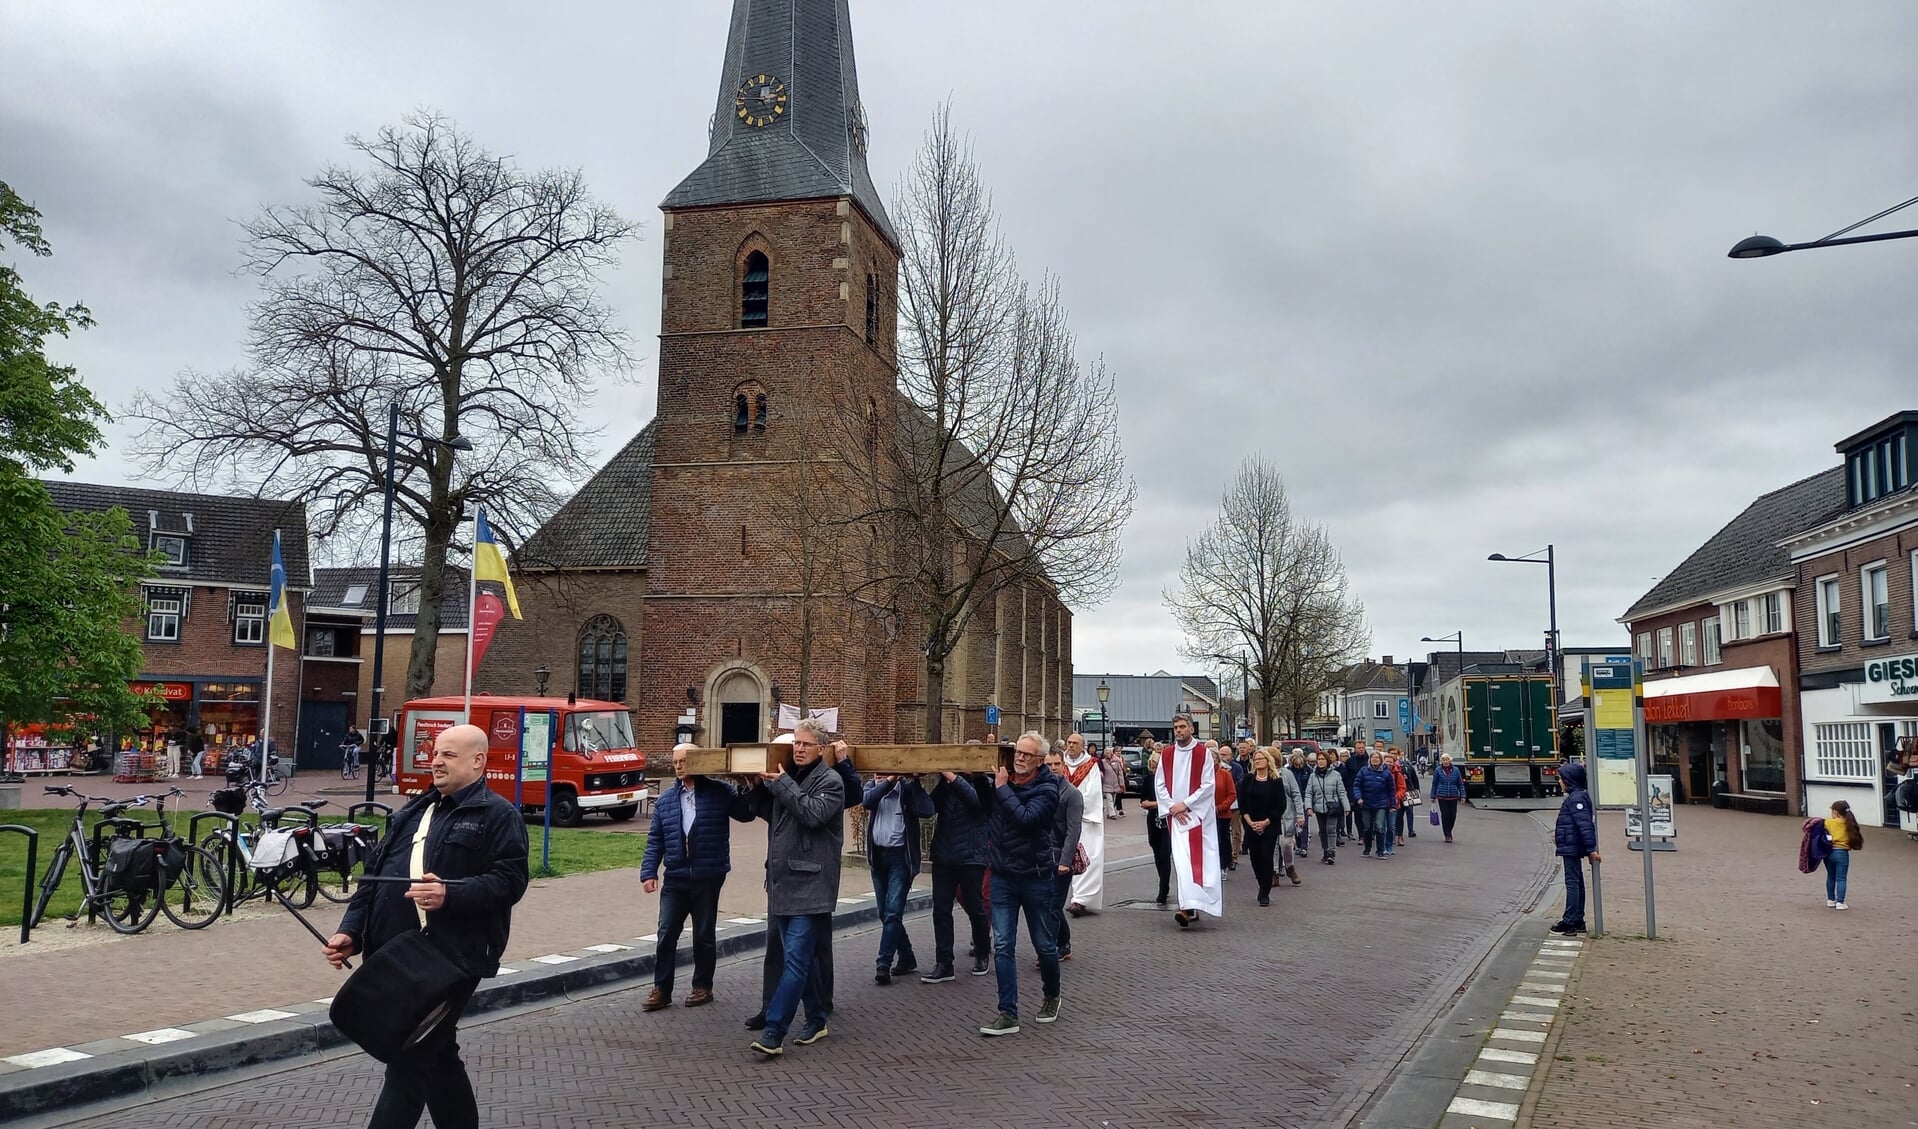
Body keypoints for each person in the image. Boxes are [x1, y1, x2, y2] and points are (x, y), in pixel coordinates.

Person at [324, 723, 529, 1129]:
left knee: (410, 1053)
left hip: (452, 957)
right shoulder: (413, 811)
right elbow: (374, 877)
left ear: (478, 762)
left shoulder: (498, 815)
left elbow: (510, 881)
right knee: (437, 1051)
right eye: (435, 753)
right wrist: (352, 931)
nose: (435, 761)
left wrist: (450, 894)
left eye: (448, 755)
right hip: (397, 954)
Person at [744, 718, 846, 1057]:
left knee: (797, 962)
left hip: (811, 885)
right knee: (797, 960)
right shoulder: (786, 778)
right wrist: (756, 786)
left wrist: (783, 784)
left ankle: (774, 1031)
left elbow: (813, 814)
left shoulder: (831, 781)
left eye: (805, 744)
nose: (798, 749)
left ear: (821, 749)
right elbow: (766, 815)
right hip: (782, 883)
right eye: (795, 744)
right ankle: (817, 1018)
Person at [641, 743, 754, 1011]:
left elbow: (746, 814)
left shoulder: (719, 791)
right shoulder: (666, 800)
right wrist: (649, 871)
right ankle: (662, 988)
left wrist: (746, 784)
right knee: (666, 932)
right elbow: (655, 838)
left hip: (708, 875)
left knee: (703, 935)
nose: (678, 765)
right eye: (675, 761)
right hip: (676, 877)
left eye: (684, 760)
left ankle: (702, 986)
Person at [979, 731, 1063, 1036]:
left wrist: (1001, 790)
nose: (1020, 758)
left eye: (1027, 754)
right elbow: (981, 805)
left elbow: (1026, 819)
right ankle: (1007, 1013)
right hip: (1003, 875)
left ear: (1039, 761)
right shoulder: (1004, 782)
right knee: (1003, 945)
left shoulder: (1048, 789)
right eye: (1018, 753)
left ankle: (1052, 994)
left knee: (1043, 944)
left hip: (1035, 876)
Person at [863, 771, 934, 984]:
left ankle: (882, 964)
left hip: (900, 858)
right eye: (876, 773)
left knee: (893, 912)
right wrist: (887, 781)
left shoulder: (908, 789)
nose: (878, 777)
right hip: (878, 856)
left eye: (883, 773)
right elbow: (867, 801)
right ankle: (907, 956)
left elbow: (927, 810)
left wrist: (915, 783)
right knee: (885, 912)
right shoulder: (872, 787)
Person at [922, 769, 991, 982]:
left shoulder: (984, 783)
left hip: (971, 856)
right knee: (941, 911)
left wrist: (952, 776)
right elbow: (928, 808)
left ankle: (982, 953)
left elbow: (977, 804)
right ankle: (944, 963)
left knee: (976, 908)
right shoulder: (947, 784)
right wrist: (916, 784)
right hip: (944, 856)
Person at [1155, 714, 1221, 927]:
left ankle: (1194, 905)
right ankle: (1187, 907)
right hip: (1177, 818)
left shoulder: (1203, 754)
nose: (1178, 730)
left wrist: (1186, 804)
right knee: (1182, 863)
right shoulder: (1166, 754)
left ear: (1192, 729)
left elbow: (1208, 784)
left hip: (1199, 818)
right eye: (1175, 727)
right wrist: (1173, 807)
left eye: (1182, 726)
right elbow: (1160, 784)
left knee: (1200, 863)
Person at [1550, 762, 1600, 935]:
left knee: (1572, 883)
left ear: (1569, 780)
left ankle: (1570, 921)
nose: (1559, 782)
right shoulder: (1578, 796)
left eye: (1561, 779)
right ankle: (1577, 919)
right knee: (1577, 882)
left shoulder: (1576, 799)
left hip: (1571, 846)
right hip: (1571, 844)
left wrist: (1591, 848)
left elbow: (1584, 825)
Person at [1044, 748, 1084, 958]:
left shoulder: (1072, 794)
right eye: (1049, 764)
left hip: (1060, 857)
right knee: (1049, 904)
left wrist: (1065, 861)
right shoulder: (1040, 789)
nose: (1053, 769)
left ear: (1063, 765)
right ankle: (1064, 942)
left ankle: (1048, 950)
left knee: (1054, 904)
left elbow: (1073, 829)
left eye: (1056, 764)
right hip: (1042, 856)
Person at [1059, 732, 1105, 916]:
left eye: (1075, 743)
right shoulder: (1059, 763)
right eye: (1069, 742)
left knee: (1087, 857)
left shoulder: (1091, 765)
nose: (1070, 746)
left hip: (1085, 819)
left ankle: (1081, 899)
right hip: (1061, 819)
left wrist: (1073, 807)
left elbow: (1093, 792)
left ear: (1082, 746)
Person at [1238, 748, 1285, 905]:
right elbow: (1242, 803)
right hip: (1251, 824)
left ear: (1268, 761)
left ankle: (1264, 891)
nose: (1257, 761)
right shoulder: (1248, 779)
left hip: (1269, 825)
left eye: (1260, 758)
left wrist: (1265, 822)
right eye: (1255, 759)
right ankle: (1262, 883)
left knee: (1266, 856)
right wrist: (1250, 822)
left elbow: (1281, 805)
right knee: (1254, 858)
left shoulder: (1276, 781)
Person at [1135, 739, 1174, 905]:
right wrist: (1159, 804)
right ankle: (1162, 879)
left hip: (1167, 821)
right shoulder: (1149, 780)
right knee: (1157, 854)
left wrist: (1160, 804)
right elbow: (1143, 802)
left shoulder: (1170, 780)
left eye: (1156, 765)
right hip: (1153, 820)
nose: (1153, 768)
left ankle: (1163, 887)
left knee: (1165, 854)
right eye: (1151, 765)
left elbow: (1174, 801)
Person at [1305, 750, 1348, 864]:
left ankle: (1331, 852)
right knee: (1322, 831)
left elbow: (1342, 792)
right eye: (1319, 759)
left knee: (1331, 829)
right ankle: (1325, 851)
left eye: (1323, 759)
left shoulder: (1336, 775)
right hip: (1319, 807)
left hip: (1333, 806)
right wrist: (1308, 807)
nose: (1320, 761)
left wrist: (1346, 806)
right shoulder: (1313, 776)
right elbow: (1309, 793)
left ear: (1328, 761)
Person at [1353, 750, 1397, 859]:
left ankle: (1380, 851)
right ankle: (1367, 849)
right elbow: (1356, 785)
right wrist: (1358, 797)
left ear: (1381, 760)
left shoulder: (1386, 773)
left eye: (1377, 758)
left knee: (1380, 827)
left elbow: (1391, 790)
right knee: (1367, 828)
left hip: (1381, 804)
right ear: (1370, 759)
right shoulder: (1363, 771)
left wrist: (1392, 805)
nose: (1375, 760)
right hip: (1366, 804)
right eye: (1373, 758)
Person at [1822, 800, 1863, 910]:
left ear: (1835, 812)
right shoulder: (1849, 823)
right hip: (1842, 852)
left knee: (1831, 876)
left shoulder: (1828, 822)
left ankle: (1830, 900)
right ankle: (1840, 902)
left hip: (1829, 852)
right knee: (1841, 878)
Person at [1213, 746, 1239, 876]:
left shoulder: (1225, 774)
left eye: (1213, 758)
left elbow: (1232, 794)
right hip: (1206, 814)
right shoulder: (1202, 774)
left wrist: (1220, 808)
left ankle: (1223, 866)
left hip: (1222, 814)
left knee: (1222, 839)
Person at [1430, 753, 1467, 842]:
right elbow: (1434, 784)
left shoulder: (1456, 770)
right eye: (1443, 760)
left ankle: (1449, 830)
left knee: (1453, 815)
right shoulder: (1438, 770)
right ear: (1441, 761)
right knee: (1445, 815)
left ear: (1450, 761)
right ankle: (1447, 834)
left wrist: (1463, 795)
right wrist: (1433, 795)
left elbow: (1460, 784)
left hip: (1453, 796)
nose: (1445, 762)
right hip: (1442, 796)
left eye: (1447, 760)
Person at [1396, 750, 1421, 841]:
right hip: (1399, 792)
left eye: (1402, 755)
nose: (1401, 757)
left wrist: (1417, 790)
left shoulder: (1408, 766)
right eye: (1400, 755)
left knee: (1409, 811)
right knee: (1399, 813)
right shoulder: (1395, 766)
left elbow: (1414, 779)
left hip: (1408, 792)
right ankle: (1399, 831)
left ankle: (1411, 830)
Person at [1101, 745, 1124, 819]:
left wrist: (1121, 783)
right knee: (1109, 799)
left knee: (1113, 799)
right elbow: (1101, 771)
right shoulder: (1103, 762)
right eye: (1106, 753)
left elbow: (1120, 773)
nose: (1108, 754)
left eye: (1109, 752)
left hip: (1115, 783)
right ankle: (1112, 814)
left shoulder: (1117, 762)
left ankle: (1108, 812)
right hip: (1106, 783)